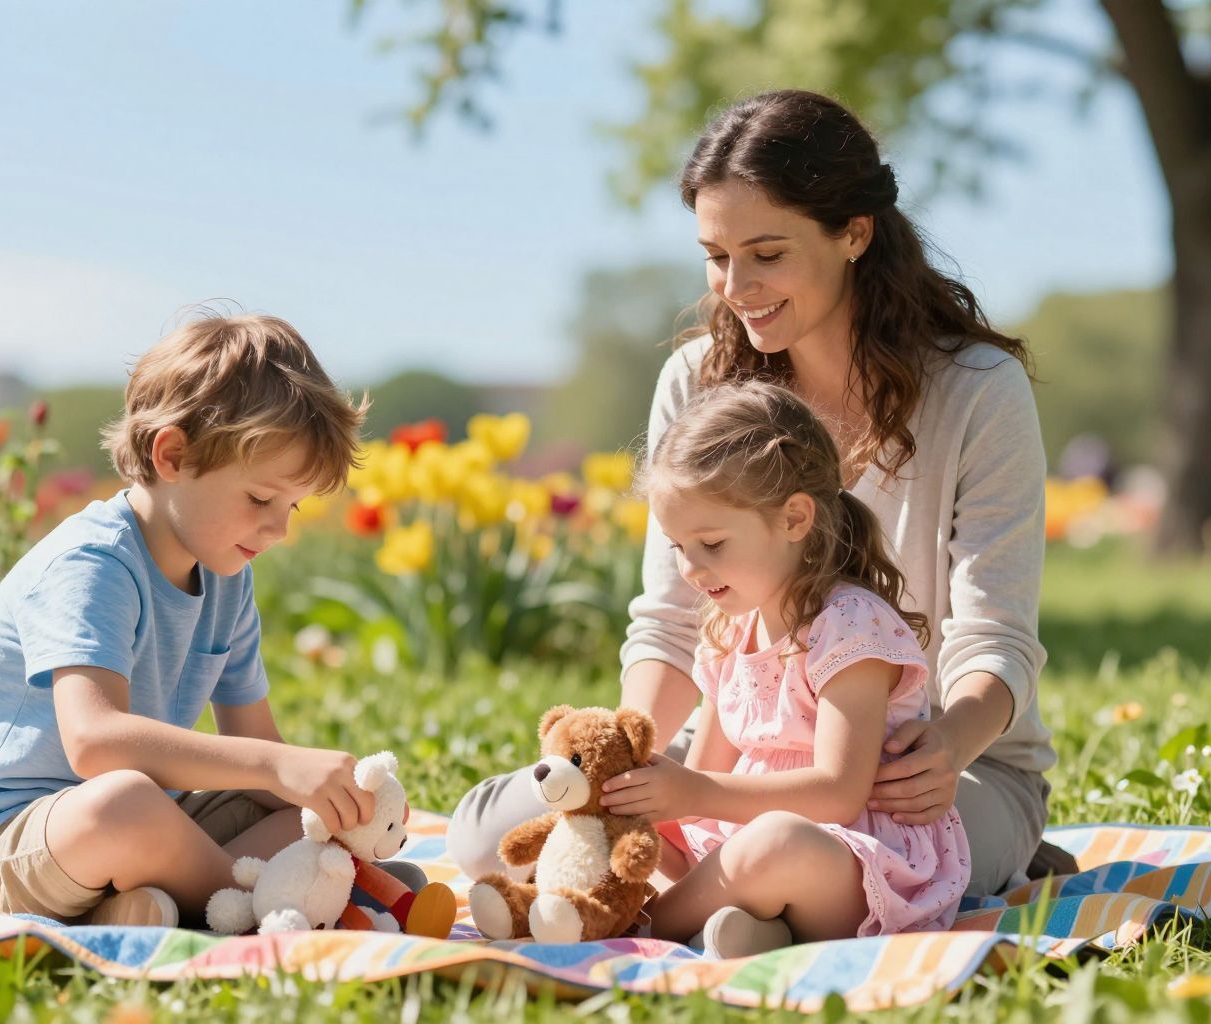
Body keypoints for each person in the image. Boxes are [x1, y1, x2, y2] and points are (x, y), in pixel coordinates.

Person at [449, 89, 1063, 900]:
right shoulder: (697, 381)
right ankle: (754, 899)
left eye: (767, 254)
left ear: (854, 233)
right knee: (487, 840)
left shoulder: (978, 390)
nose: (736, 286)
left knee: (843, 861)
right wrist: (623, 769)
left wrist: (947, 746)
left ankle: (865, 876)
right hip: (743, 754)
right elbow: (673, 618)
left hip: (924, 773)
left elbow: (995, 637)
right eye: (716, 255)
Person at [0, 311, 406, 928]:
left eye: (292, 507)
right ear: (173, 455)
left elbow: (258, 745)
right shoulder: (91, 564)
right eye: (260, 498)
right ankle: (279, 904)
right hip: (7, 847)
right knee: (126, 804)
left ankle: (153, 908)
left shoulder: (227, 576)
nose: (278, 529)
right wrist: (275, 766)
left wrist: (340, 801)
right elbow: (95, 743)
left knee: (307, 818)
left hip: (153, 830)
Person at [601, 381, 969, 956]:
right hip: (746, 851)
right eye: (678, 547)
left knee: (776, 842)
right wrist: (645, 801)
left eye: (712, 544)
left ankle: (635, 927)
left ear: (795, 518)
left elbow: (839, 793)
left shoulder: (849, 626)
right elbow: (699, 791)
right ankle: (752, 930)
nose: (691, 568)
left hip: (855, 867)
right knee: (615, 817)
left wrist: (692, 792)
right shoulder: (729, 632)